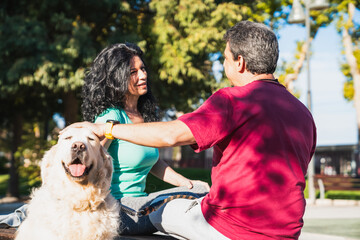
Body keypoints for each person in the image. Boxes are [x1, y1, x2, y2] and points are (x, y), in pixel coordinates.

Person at [64, 21, 317, 240]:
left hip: (230, 229)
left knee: (175, 206)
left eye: (225, 58)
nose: (142, 75)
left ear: (239, 62)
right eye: (134, 71)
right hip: (284, 232)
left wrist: (108, 129)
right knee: (193, 195)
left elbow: (170, 136)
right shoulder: (303, 114)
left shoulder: (233, 100)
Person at [0, 43, 209, 236]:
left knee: (199, 190)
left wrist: (185, 183)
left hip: (140, 204)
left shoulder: (144, 117)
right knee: (194, 200)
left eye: (143, 69)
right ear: (117, 78)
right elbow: (88, 158)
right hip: (119, 208)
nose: (143, 75)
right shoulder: (111, 118)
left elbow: (154, 161)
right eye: (133, 72)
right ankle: (21, 213)